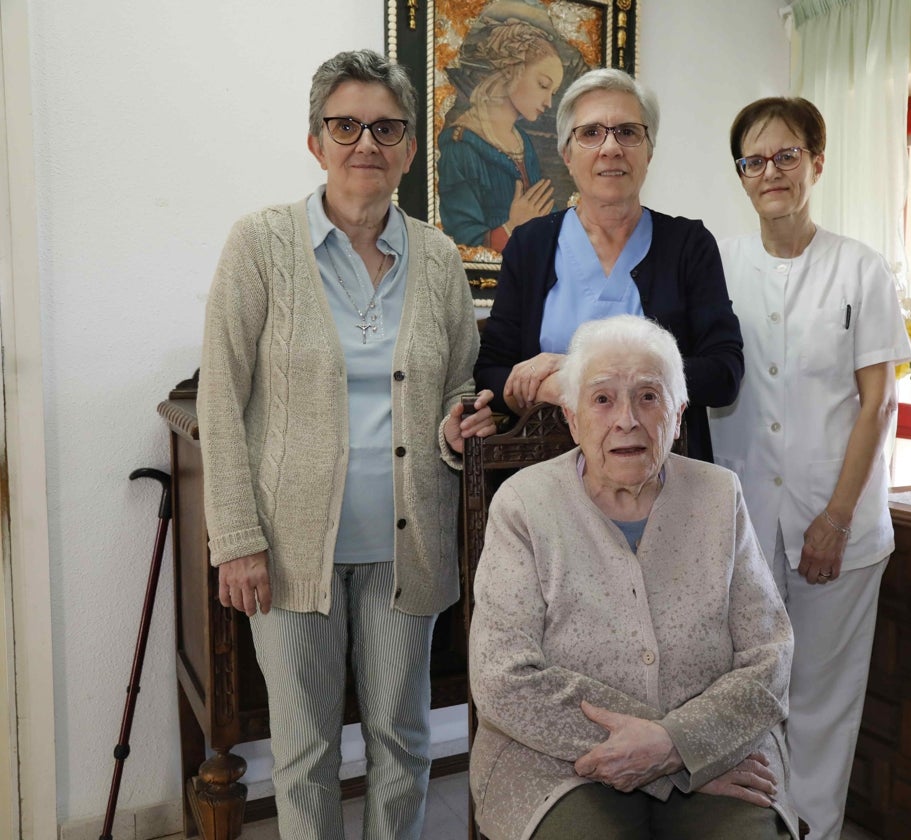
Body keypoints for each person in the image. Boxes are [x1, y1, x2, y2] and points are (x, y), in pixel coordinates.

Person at [197, 49, 495, 840]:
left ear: (406, 147)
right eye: (346, 124)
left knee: (403, 741)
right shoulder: (260, 245)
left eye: (386, 127)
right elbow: (221, 400)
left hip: (409, 542)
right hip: (289, 548)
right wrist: (235, 540)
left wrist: (463, 417)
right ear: (315, 140)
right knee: (302, 750)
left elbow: (459, 381)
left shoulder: (436, 258)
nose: (366, 141)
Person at [468, 315, 802, 840]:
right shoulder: (524, 504)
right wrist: (673, 756)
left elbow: (769, 655)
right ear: (572, 418)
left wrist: (676, 744)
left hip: (713, 752)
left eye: (649, 396)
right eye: (602, 399)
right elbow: (502, 678)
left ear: (679, 414)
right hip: (557, 763)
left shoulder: (720, 495)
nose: (627, 419)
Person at [708, 97, 911, 840]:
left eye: (787, 156)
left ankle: (812, 833)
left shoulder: (860, 268)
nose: (771, 172)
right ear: (740, 174)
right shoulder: (719, 264)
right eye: (754, 161)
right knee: (749, 693)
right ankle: (761, 829)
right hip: (740, 522)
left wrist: (834, 517)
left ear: (816, 163)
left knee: (824, 700)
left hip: (841, 526)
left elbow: (878, 404)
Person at [473, 68, 743, 462]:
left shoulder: (688, 245)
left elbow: (724, 374)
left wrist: (573, 373)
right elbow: (492, 371)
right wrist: (550, 387)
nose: (611, 148)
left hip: (665, 480)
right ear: (566, 154)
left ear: (649, 151)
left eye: (628, 132)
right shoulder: (530, 245)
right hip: (547, 481)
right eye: (591, 133)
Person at [438, 9, 565, 250]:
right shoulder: (460, 145)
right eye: (543, 85)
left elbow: (542, 213)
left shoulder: (522, 142)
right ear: (510, 70)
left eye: (553, 93)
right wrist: (511, 228)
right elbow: (458, 241)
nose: (548, 102)